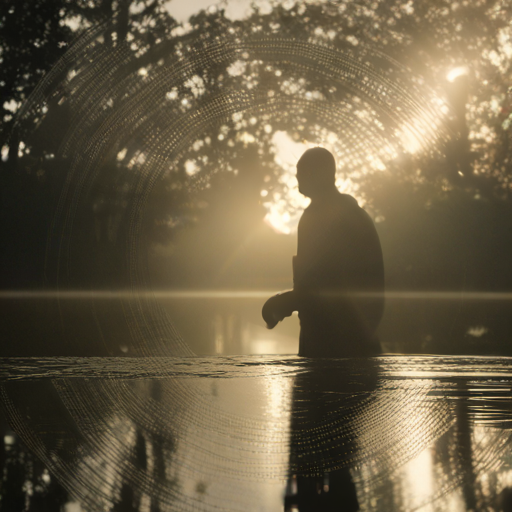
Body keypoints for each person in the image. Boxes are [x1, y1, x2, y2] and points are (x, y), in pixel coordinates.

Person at [262, 147, 384, 357]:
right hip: (355, 338)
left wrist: (285, 302)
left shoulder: (321, 218)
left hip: (333, 342)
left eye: (302, 172)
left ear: (319, 174)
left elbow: (325, 283)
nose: (297, 178)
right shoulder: (353, 215)